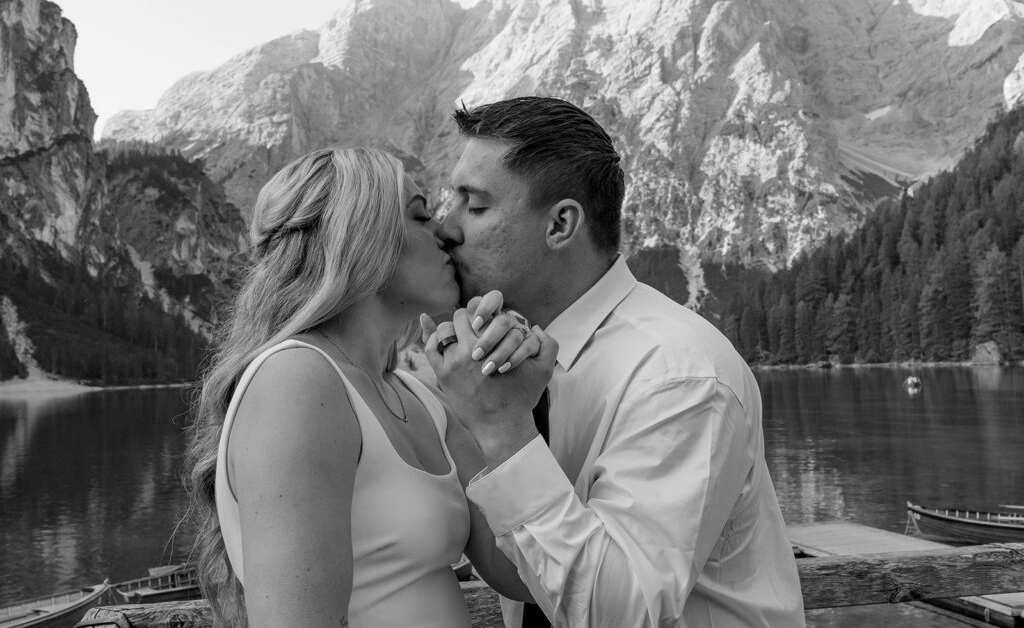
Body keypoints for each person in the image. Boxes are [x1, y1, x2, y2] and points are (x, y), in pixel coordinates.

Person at [423, 96, 806, 627]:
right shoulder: (516, 364)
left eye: (476, 204)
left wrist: (500, 428)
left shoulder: (674, 372)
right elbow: (526, 577)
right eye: (450, 201)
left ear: (560, 225)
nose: (447, 227)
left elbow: (623, 616)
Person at [183, 147, 555, 627]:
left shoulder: (419, 398)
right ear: (362, 240)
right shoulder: (297, 381)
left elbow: (525, 576)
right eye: (420, 216)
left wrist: (505, 410)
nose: (444, 233)